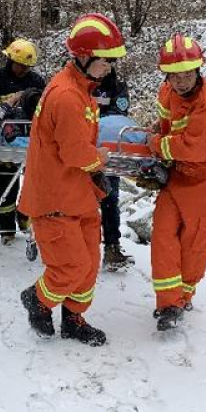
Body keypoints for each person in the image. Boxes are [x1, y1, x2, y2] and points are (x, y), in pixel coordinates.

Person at [19, 13, 126, 346]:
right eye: (105, 60)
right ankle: (37, 300)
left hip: (76, 193)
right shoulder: (67, 96)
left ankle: (73, 319)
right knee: (70, 267)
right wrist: (100, 158)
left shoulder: (81, 89)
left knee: (89, 264)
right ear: (83, 56)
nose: (109, 67)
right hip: (55, 198)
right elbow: (74, 153)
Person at [147, 33, 206, 331]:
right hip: (178, 178)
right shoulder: (166, 93)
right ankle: (168, 304)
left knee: (194, 245)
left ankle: (182, 298)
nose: (181, 81)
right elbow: (163, 125)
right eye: (174, 76)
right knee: (162, 236)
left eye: (186, 74)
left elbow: (194, 148)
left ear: (198, 70)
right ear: (167, 77)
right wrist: (155, 143)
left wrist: (157, 144)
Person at [0, 38, 46, 245]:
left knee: (32, 183)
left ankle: (24, 215)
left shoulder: (37, 82)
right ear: (10, 60)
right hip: (3, 141)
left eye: (27, 66)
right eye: (20, 65)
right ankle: (6, 228)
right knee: (4, 184)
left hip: (30, 140)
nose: (23, 70)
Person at [93, 68, 135, 270]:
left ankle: (111, 247)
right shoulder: (80, 84)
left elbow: (119, 117)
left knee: (109, 199)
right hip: (79, 149)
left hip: (107, 150)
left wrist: (95, 125)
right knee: (74, 199)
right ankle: (76, 249)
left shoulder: (117, 88)